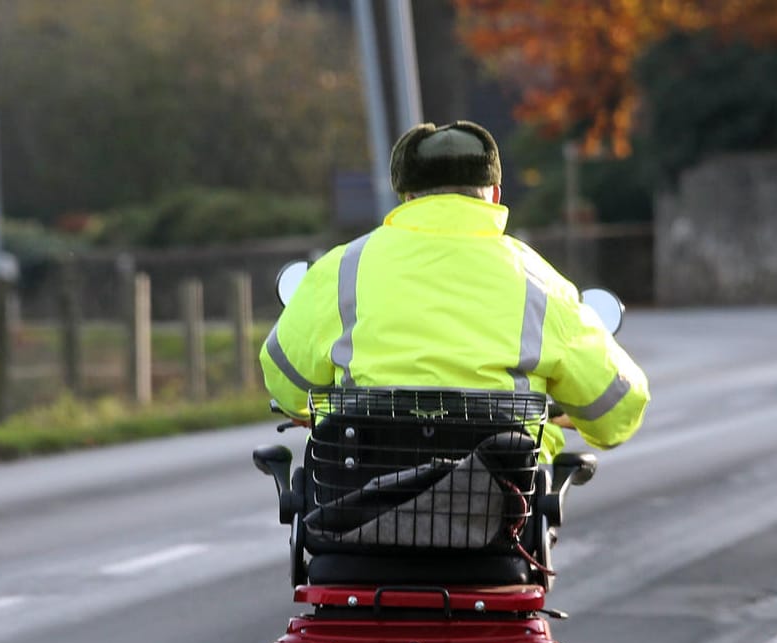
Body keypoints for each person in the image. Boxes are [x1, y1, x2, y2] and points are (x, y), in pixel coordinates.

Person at [260, 120, 649, 461]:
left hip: (357, 511)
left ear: (407, 196)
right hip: (498, 512)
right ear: (495, 193)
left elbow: (283, 377)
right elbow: (619, 409)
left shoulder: (345, 268)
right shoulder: (539, 282)